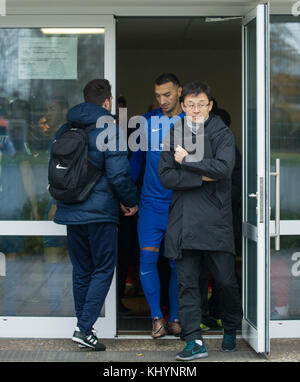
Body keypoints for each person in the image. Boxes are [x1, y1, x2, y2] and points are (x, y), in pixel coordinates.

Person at [158, 81, 243, 360]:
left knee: (225, 282)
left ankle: (230, 327)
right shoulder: (175, 132)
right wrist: (201, 176)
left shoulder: (221, 132)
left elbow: (223, 168)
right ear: (183, 106)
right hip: (183, 221)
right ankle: (194, 339)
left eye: (201, 104)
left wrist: (188, 162)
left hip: (216, 221)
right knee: (187, 284)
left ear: (210, 106)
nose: (195, 109)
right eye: (190, 104)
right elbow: (166, 176)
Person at [53, 79, 139, 351]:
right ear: (106, 102)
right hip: (100, 213)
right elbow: (117, 173)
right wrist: (130, 201)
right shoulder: (109, 128)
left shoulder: (66, 127)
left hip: (71, 210)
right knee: (103, 268)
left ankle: (84, 328)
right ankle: (84, 327)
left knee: (82, 271)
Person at [130, 73, 184, 338]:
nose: (162, 100)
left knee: (176, 264)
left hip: (179, 206)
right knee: (147, 258)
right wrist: (128, 195)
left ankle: (174, 318)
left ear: (179, 92)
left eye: (167, 94)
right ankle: (156, 318)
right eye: (158, 96)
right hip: (150, 204)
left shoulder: (192, 121)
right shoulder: (147, 121)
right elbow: (136, 161)